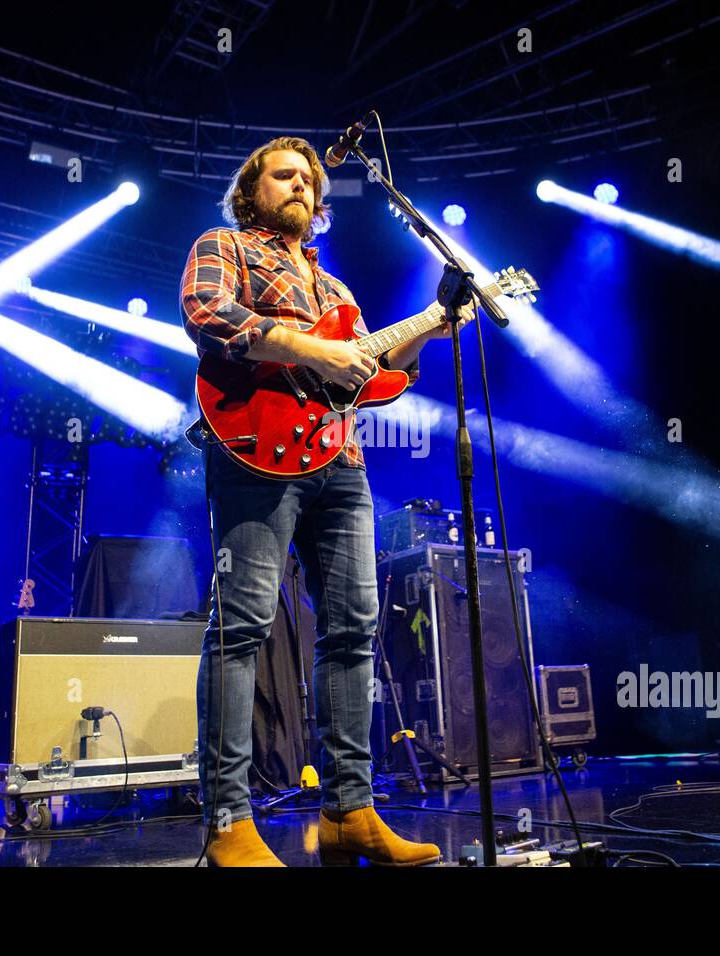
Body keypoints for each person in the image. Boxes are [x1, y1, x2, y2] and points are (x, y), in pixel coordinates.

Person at [180, 136, 472, 865]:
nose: (303, 187)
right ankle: (228, 821)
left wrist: (432, 327)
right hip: (253, 449)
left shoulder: (335, 291)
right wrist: (314, 352)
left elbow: (367, 379)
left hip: (341, 461)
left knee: (352, 630)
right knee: (241, 626)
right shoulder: (225, 245)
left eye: (311, 180)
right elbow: (207, 315)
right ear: (252, 191)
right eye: (285, 176)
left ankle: (350, 811)